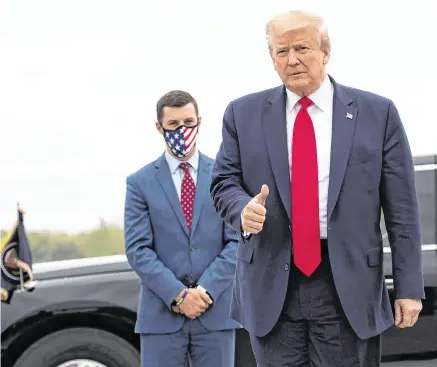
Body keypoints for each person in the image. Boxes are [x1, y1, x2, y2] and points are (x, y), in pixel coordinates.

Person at [210, 10, 424, 367]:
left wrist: (409, 288)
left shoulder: (378, 113)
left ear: (325, 50)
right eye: (281, 51)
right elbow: (223, 183)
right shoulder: (242, 114)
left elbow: (402, 210)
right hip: (272, 285)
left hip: (348, 287)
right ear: (272, 59)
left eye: (302, 48)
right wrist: (241, 208)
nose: (292, 60)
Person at [124, 90, 240, 367]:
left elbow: (238, 242)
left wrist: (206, 291)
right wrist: (177, 295)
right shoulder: (139, 183)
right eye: (174, 124)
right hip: (161, 317)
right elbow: (138, 250)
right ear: (159, 127)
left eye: (188, 122)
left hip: (216, 315)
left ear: (199, 122)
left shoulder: (225, 176)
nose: (182, 130)